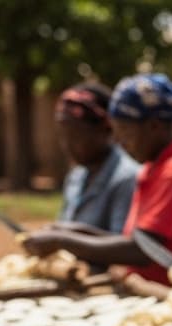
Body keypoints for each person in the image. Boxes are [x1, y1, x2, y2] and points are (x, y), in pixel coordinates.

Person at [21, 73, 172, 282]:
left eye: (125, 131)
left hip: (171, 295)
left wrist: (62, 240)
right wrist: (74, 231)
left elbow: (141, 251)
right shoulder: (154, 168)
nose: (119, 141)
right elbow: (135, 240)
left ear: (154, 126)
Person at [51, 82, 139, 234]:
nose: (67, 145)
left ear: (104, 130)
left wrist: (64, 239)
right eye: (63, 135)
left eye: (75, 135)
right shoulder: (76, 176)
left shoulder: (127, 179)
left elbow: (124, 245)